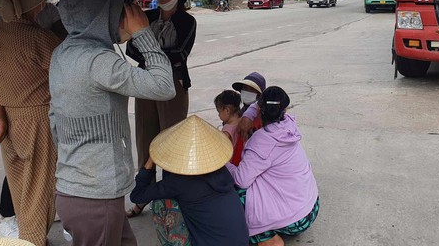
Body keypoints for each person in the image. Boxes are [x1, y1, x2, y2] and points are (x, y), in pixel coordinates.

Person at [49, 0, 176, 246]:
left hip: (76, 190)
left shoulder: (61, 54)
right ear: (102, 15)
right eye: (121, 9)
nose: (127, 15)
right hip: (96, 198)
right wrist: (143, 33)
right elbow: (164, 86)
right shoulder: (99, 61)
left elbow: (54, 120)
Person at [0, 0, 63, 246]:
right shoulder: (40, 38)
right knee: (40, 192)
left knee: (21, 190)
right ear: (34, 6)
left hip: (7, 121)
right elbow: (67, 81)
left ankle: (28, 237)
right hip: (37, 120)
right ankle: (33, 240)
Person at [125, 0, 197, 218]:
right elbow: (131, 49)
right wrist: (158, 54)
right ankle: (142, 197)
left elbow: (181, 54)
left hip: (173, 84)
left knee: (171, 139)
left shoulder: (187, 21)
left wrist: (150, 52)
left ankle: (173, 197)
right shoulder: (149, 16)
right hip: (145, 82)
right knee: (145, 137)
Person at [130, 115, 249, 246]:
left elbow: (137, 195)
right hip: (241, 241)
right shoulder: (221, 171)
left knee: (161, 203)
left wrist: (151, 160)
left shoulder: (178, 182)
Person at [226, 86, 320, 246]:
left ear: (260, 108)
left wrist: (223, 162)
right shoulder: (289, 125)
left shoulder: (262, 141)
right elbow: (266, 104)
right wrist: (248, 115)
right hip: (311, 206)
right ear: (285, 109)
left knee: (234, 199)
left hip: (296, 220)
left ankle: (266, 238)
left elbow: (241, 180)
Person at [233, 72, 267, 141]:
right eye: (245, 88)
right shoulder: (241, 111)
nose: (247, 91)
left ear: (259, 95)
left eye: (251, 89)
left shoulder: (263, 115)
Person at [214, 90, 243, 165]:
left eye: (219, 112)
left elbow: (219, 149)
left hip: (230, 163)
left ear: (227, 110)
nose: (218, 115)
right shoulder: (242, 121)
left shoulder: (227, 130)